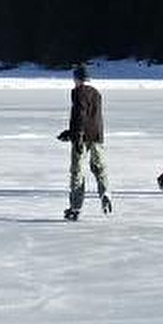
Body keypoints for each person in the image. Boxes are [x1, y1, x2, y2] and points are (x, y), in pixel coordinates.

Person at [58, 64, 112, 220]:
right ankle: (105, 192)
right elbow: (92, 116)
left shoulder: (78, 92)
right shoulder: (96, 93)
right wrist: (69, 132)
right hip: (97, 135)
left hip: (81, 138)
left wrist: (77, 134)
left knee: (77, 172)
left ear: (77, 78)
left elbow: (80, 114)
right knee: (99, 167)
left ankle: (75, 207)